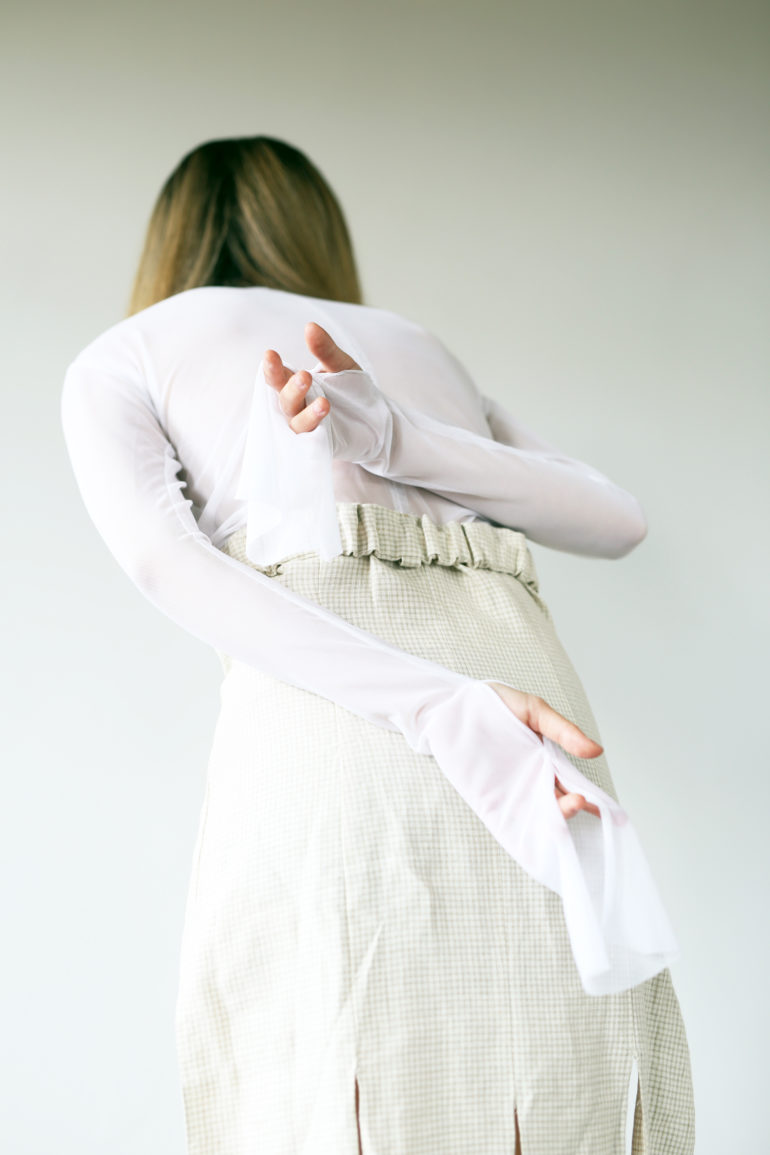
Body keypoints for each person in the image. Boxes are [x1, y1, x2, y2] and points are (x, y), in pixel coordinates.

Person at [60, 136, 695, 1154]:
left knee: (336, 1076)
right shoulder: (413, 344)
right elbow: (615, 518)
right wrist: (401, 434)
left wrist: (447, 709)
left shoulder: (125, 354)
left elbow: (164, 563)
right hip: (537, 725)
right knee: (562, 1081)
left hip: (346, 729)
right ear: (318, 231)